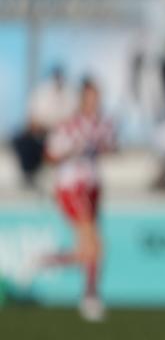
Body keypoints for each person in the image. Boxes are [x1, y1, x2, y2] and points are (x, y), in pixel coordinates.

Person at [40, 79, 116, 322]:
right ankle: (90, 297)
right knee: (94, 244)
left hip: (92, 186)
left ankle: (49, 261)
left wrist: (104, 147)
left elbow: (112, 148)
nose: (95, 102)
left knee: (91, 248)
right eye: (92, 97)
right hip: (73, 187)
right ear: (83, 99)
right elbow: (50, 156)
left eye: (98, 97)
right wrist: (73, 150)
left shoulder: (102, 124)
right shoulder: (69, 126)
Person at [11, 67, 76, 187]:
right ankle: (30, 174)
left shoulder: (70, 94)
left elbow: (72, 120)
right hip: (42, 136)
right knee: (23, 141)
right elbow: (33, 121)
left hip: (63, 136)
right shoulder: (41, 93)